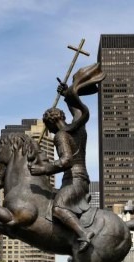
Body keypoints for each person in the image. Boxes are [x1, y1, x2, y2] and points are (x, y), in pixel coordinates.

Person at [29, 63, 105, 252]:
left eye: (48, 126)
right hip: (79, 179)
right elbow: (78, 111)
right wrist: (67, 96)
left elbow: (66, 161)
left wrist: (42, 169)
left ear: (51, 123)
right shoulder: (78, 128)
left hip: (75, 179)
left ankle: (84, 234)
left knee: (58, 208)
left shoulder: (61, 136)